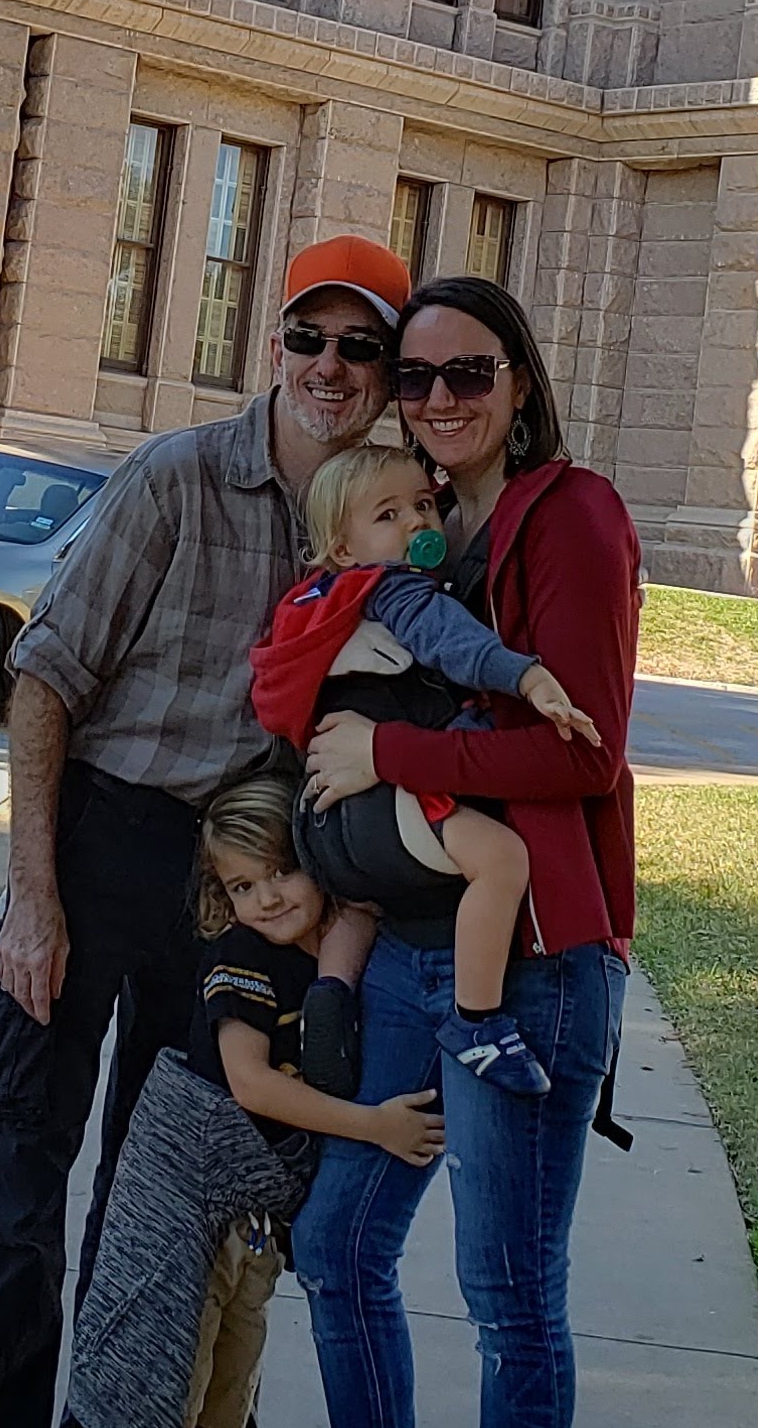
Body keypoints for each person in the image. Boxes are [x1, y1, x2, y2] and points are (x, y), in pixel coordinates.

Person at [0, 231, 408, 1428]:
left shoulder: (377, 519)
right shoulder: (175, 480)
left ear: (387, 374)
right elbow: (43, 678)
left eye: (361, 347)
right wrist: (32, 896)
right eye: (309, 338)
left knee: (163, 1219)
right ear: (274, 346)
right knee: (13, 1185)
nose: (330, 367)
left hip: (236, 889)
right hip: (99, 843)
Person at [222, 272, 639, 1428]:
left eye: (470, 374)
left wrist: (383, 751)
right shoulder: (427, 528)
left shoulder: (569, 518)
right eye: (417, 377)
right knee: (339, 1248)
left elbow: (582, 755)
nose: (440, 399)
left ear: (520, 381)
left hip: (529, 957)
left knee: (512, 1298)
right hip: (410, 942)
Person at [43, 771, 444, 1428]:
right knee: (152, 1388)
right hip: (178, 1171)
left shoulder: (334, 945)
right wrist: (373, 1126)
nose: (265, 898)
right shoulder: (240, 958)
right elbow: (253, 1086)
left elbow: (356, 928)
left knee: (176, 1389)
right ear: (220, 896)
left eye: (280, 873)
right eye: (241, 884)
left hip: (225, 1201)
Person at [252, 436, 598, 1098]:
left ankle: (330, 992)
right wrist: (525, 677)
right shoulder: (396, 590)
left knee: (361, 907)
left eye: (422, 505)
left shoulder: (312, 605)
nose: (415, 522)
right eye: (388, 515)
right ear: (344, 548)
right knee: (501, 860)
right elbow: (453, 641)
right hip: (391, 805)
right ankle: (477, 1020)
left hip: (325, 817)